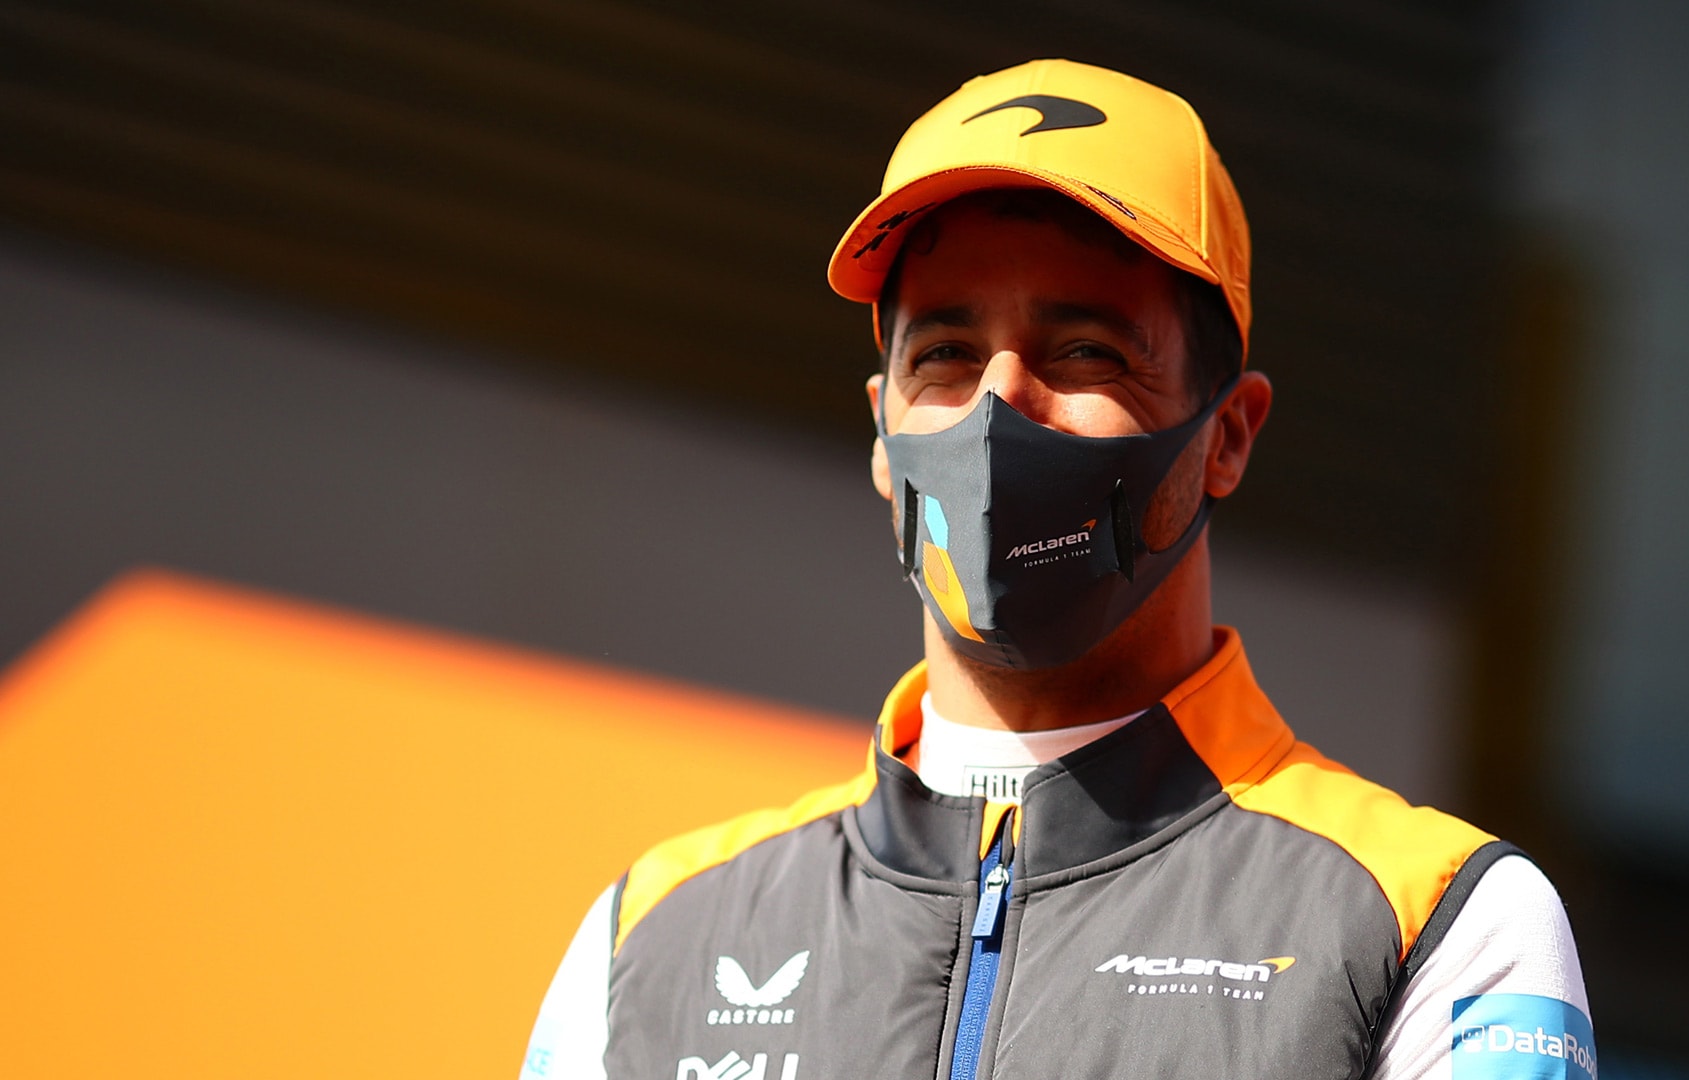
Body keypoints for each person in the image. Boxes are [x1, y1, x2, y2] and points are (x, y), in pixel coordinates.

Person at [521, 59, 1593, 1080]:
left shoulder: (1433, 924)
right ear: (883, 434)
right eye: (944, 355)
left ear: (1228, 435)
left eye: (1084, 352)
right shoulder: (650, 941)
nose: (999, 406)